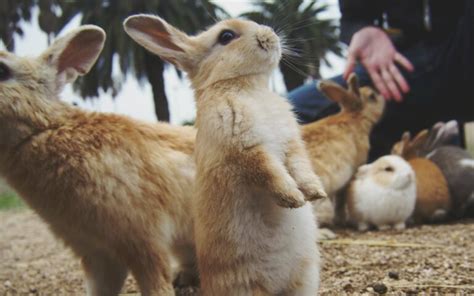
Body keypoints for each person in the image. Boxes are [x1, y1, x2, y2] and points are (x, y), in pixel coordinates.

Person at [288, 0, 474, 160]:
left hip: (461, 47)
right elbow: (353, 16)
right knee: (287, 114)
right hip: (397, 65)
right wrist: (360, 29)